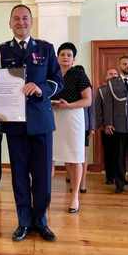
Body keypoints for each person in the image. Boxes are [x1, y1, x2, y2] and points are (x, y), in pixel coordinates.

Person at [0, 4, 63, 242]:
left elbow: (57, 81)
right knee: (19, 175)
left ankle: (41, 221)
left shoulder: (45, 48)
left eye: (25, 18)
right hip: (14, 124)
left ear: (31, 22)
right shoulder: (0, 51)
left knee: (42, 177)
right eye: (16, 19)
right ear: (9, 23)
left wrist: (40, 88)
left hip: (41, 122)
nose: (21, 22)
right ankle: (23, 222)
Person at [52, 43, 92, 213]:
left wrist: (69, 106)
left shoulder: (79, 74)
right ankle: (45, 196)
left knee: (74, 157)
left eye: (69, 55)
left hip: (73, 116)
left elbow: (87, 100)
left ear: (73, 59)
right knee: (49, 157)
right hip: (52, 116)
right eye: (62, 54)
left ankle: (75, 196)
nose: (65, 57)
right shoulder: (51, 74)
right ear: (57, 57)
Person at [104, 55, 128, 194]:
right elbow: (108, 105)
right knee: (119, 156)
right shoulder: (112, 83)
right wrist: (108, 123)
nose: (127, 66)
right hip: (118, 125)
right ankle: (119, 185)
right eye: (124, 64)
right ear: (119, 65)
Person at [95, 68, 119, 184]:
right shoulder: (101, 90)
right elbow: (98, 110)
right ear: (106, 77)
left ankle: (120, 177)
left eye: (115, 74)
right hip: (107, 128)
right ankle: (110, 177)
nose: (113, 76)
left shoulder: (124, 89)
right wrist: (103, 126)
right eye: (111, 74)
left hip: (123, 128)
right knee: (109, 153)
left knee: (121, 153)